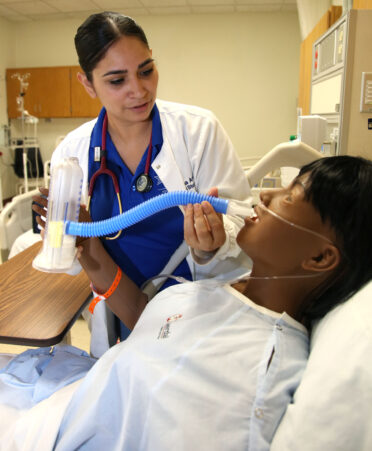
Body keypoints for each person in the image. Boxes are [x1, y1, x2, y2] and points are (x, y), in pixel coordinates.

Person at [3, 155, 370, 450]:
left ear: (320, 259)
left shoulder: (260, 366)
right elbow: (150, 325)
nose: (266, 196)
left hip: (48, 427)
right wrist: (88, 244)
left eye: (290, 196)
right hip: (59, 389)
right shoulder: (234, 287)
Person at [32, 11, 251, 356]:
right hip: (124, 314)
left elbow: (241, 218)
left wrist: (212, 244)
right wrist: (64, 241)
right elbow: (72, 263)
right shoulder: (72, 155)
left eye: (146, 70)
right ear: (88, 84)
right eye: (117, 81)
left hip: (201, 315)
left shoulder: (198, 131)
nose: (139, 90)